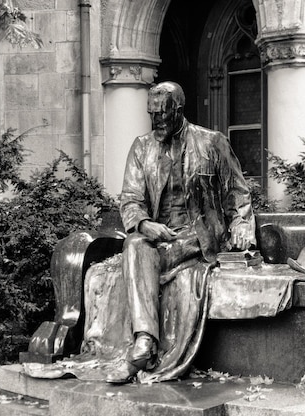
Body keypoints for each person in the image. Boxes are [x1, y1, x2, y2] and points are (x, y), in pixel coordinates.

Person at [106, 81, 256, 383]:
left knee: (154, 252)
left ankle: (150, 344)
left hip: (198, 237)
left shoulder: (211, 142)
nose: (156, 120)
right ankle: (145, 341)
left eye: (162, 113)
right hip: (158, 235)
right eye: (152, 114)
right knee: (135, 244)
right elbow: (131, 199)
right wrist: (144, 224)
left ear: (178, 109)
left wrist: (241, 224)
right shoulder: (141, 147)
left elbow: (238, 192)